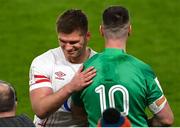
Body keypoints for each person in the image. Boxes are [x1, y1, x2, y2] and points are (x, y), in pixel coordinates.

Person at [71, 5, 174, 127]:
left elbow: (77, 113)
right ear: (129, 30)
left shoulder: (85, 70)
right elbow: (166, 119)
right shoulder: (143, 70)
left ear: (101, 30)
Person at [29, 9, 96, 127]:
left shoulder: (99, 63)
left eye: (73, 42)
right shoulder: (44, 62)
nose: (68, 47)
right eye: (63, 41)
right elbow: (40, 110)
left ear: (87, 36)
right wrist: (71, 87)